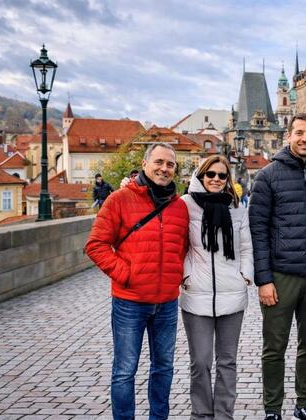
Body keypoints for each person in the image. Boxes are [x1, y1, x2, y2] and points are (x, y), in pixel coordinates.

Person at [85, 143, 189, 420]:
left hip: (167, 302)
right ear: (145, 164)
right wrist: (126, 274)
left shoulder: (179, 206)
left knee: (164, 367)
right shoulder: (119, 199)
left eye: (170, 164)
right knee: (125, 370)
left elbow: (183, 247)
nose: (164, 169)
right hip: (129, 302)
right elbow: (95, 245)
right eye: (158, 162)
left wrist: (174, 275)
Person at [249, 113, 306, 420]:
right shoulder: (267, 176)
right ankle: (272, 409)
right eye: (299, 132)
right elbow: (258, 233)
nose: (305, 138)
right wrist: (263, 279)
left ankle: (304, 403)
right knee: (274, 347)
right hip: (280, 277)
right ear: (288, 136)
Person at [180, 155, 253, 420]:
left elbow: (246, 246)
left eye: (222, 176)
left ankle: (224, 415)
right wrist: (185, 275)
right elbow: (178, 245)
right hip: (196, 295)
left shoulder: (237, 207)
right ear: (201, 176)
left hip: (232, 295)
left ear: (228, 180)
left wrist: (244, 274)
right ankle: (201, 415)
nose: (216, 180)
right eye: (210, 175)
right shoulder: (185, 205)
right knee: (200, 362)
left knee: (227, 362)